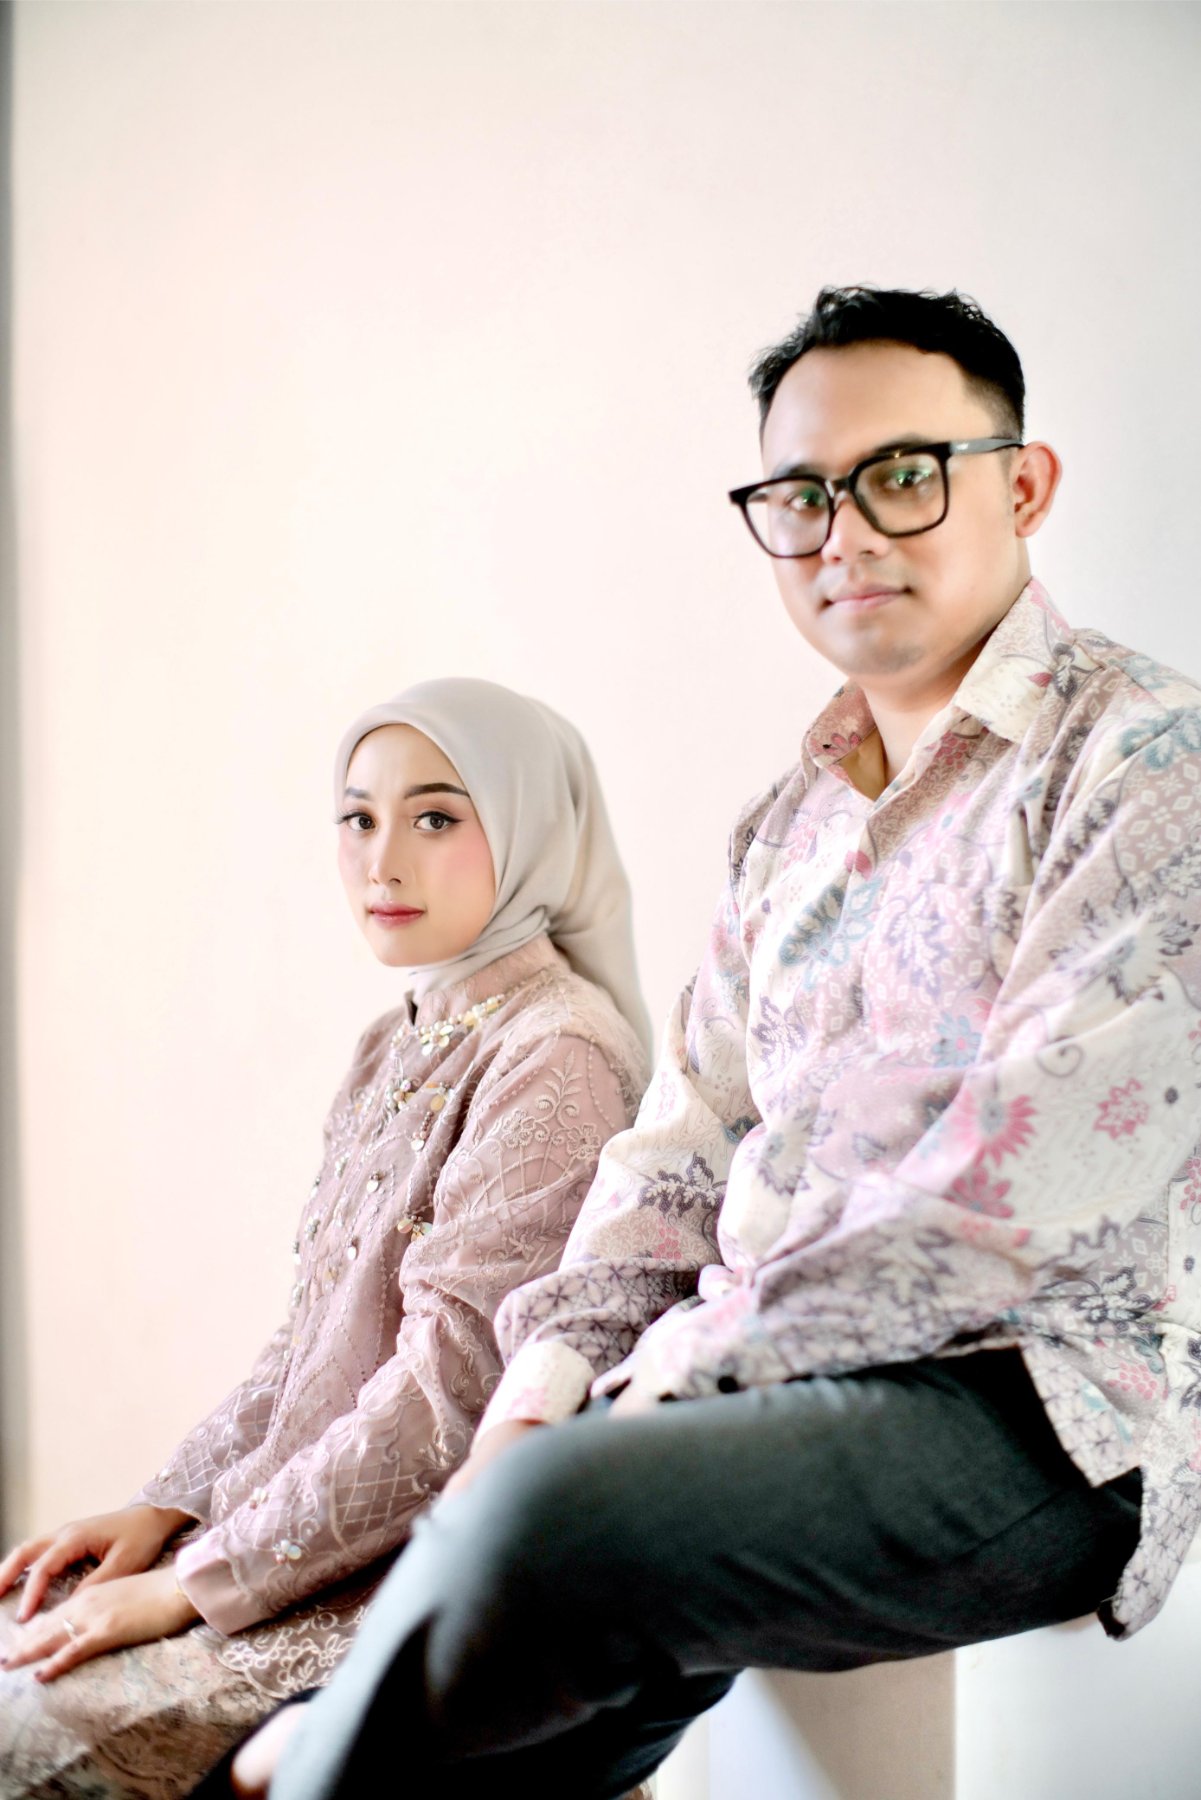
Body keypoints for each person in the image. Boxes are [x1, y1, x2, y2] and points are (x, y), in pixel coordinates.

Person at [214, 286, 1201, 1800]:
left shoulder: (1146, 765)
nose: (845, 535)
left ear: (1023, 486)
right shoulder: (785, 826)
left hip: (1043, 1407)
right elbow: (678, 1149)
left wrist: (668, 1380)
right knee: (510, 1678)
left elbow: (1011, 1199)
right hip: (756, 1387)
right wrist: (543, 1390)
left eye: (901, 475)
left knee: (543, 1528)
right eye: (800, 497)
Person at [0, 678, 650, 1798]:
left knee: (36, 1727)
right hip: (292, 1538)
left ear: (532, 826)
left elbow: (450, 1397)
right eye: (357, 817)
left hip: (414, 1577)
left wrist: (194, 1583)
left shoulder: (557, 1053)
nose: (380, 861)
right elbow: (313, 1341)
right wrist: (166, 1511)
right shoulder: (392, 1041)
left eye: (435, 817)